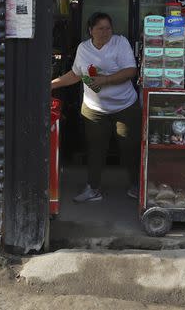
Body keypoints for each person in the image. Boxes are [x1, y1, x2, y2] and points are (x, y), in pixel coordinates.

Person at [51, 12, 140, 202]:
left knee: (129, 146)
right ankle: (93, 188)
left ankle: (136, 186)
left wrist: (105, 79)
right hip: (94, 109)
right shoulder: (83, 48)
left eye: (108, 28)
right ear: (90, 30)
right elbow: (76, 74)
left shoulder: (120, 43)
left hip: (124, 105)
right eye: (100, 28)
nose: (105, 32)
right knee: (94, 149)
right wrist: (51, 84)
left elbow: (131, 70)